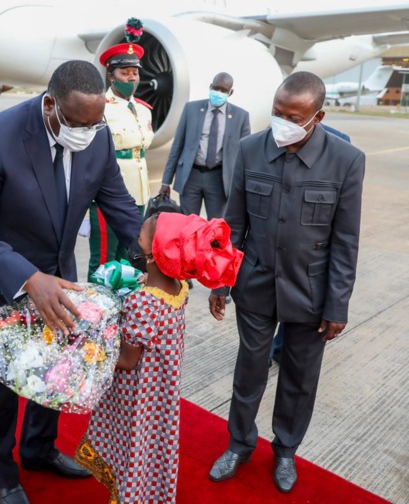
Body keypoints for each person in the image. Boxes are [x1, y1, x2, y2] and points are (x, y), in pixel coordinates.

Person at [0, 60, 144, 504]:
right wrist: (29, 280)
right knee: (1, 387)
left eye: (95, 124)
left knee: (55, 370)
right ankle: (4, 472)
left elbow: (119, 205)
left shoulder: (97, 135)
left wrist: (156, 249)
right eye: (78, 123)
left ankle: (38, 450)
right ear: (51, 104)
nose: (87, 132)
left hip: (55, 276)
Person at [207, 71, 365, 493]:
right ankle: (239, 444)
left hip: (311, 295)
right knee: (249, 372)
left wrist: (337, 306)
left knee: (299, 379)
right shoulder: (250, 149)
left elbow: (346, 241)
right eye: (277, 113)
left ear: (317, 116)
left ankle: (286, 451)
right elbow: (232, 223)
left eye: (293, 116)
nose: (282, 122)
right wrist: (220, 282)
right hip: (255, 285)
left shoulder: (347, 160)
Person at [76, 212, 242, 504]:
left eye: (140, 236)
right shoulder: (179, 290)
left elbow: (127, 361)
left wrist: (91, 347)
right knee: (151, 447)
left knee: (131, 446)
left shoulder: (142, 303)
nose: (136, 241)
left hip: (135, 397)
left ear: (154, 253)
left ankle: (127, 496)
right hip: (159, 397)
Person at [269, 123, 351, 366]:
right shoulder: (273, 134)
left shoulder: (340, 144)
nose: (285, 121)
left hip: (309, 254)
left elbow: (344, 234)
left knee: (294, 311)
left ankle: (280, 349)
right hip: (274, 243)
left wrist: (337, 305)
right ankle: (268, 351)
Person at [88, 18, 154, 277]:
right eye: (125, 73)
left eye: (134, 73)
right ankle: (95, 308)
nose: (131, 77)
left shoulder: (143, 109)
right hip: (108, 192)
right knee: (103, 256)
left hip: (139, 192)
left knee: (131, 253)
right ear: (111, 75)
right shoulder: (100, 106)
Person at [160, 72, 251, 219]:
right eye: (216, 88)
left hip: (219, 179)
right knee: (188, 224)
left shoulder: (241, 117)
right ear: (210, 87)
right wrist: (166, 181)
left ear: (230, 92)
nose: (218, 93)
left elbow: (245, 156)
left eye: (223, 91)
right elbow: (177, 146)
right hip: (191, 176)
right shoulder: (191, 109)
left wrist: (243, 187)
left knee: (215, 228)